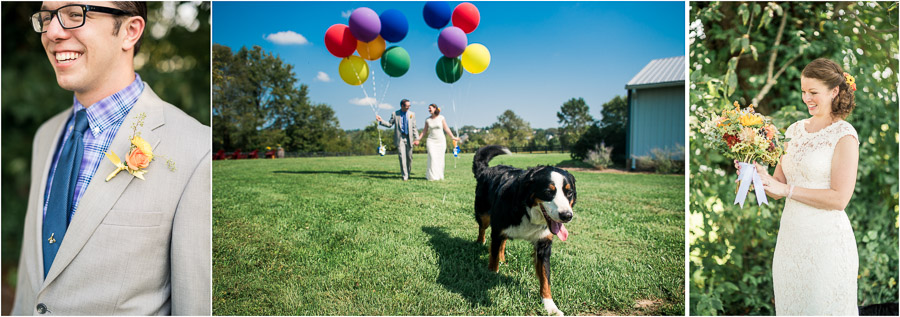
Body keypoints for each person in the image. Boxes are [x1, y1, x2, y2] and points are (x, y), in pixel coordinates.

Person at [12, 2, 211, 315]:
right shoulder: (46, 136)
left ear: (130, 31)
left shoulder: (197, 149)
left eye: (75, 15)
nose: (51, 31)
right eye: (47, 16)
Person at [741, 58, 859, 315]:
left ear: (834, 91)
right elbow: (777, 186)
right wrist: (757, 176)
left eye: (814, 92)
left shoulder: (844, 135)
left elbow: (840, 199)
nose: (807, 98)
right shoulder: (794, 131)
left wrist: (787, 191)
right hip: (791, 241)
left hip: (827, 243)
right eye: (804, 91)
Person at [376, 99, 420, 181]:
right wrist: (381, 121)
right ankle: (405, 176)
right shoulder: (395, 114)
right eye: (407, 106)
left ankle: (408, 173)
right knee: (401, 157)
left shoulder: (412, 114)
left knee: (409, 157)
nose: (408, 107)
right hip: (400, 139)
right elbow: (389, 124)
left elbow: (414, 127)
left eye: (409, 106)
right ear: (402, 106)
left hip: (409, 138)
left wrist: (417, 138)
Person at [416, 104, 459, 181]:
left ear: (435, 108)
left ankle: (439, 176)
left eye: (430, 108)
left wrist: (453, 137)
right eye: (428, 108)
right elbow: (424, 131)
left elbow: (446, 128)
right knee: (432, 158)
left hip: (441, 141)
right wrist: (418, 139)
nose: (429, 109)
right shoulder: (427, 120)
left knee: (440, 158)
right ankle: (432, 177)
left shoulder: (441, 118)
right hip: (431, 141)